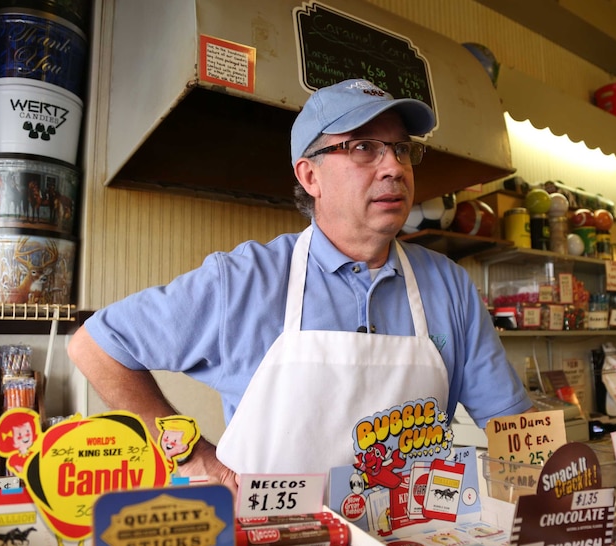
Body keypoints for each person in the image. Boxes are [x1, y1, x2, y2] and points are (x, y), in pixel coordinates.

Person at [67, 78, 535, 492]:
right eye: (363, 147)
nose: (394, 166)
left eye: (401, 149)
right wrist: (195, 457)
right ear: (309, 175)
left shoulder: (448, 285)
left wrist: (559, 506)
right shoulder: (244, 281)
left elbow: (513, 428)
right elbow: (95, 347)